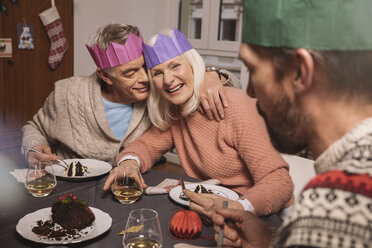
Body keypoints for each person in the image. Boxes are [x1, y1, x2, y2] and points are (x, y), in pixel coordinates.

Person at [185, 0, 372, 247]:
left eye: (253, 69)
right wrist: (271, 240)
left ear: (299, 73)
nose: (250, 92)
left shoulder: (334, 203)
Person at [103, 28, 294, 217]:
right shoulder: (175, 111)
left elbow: (279, 181)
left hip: (255, 211)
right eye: (157, 73)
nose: (168, 80)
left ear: (193, 64)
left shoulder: (236, 105)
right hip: (209, 209)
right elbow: (146, 146)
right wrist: (129, 163)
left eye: (175, 66)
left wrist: (238, 207)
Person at [21, 23, 239, 165]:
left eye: (145, 67)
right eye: (130, 73)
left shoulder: (162, 91)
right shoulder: (67, 94)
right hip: (71, 187)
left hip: (133, 187)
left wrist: (213, 75)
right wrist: (33, 147)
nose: (145, 78)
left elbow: (232, 88)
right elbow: (35, 127)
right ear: (105, 76)